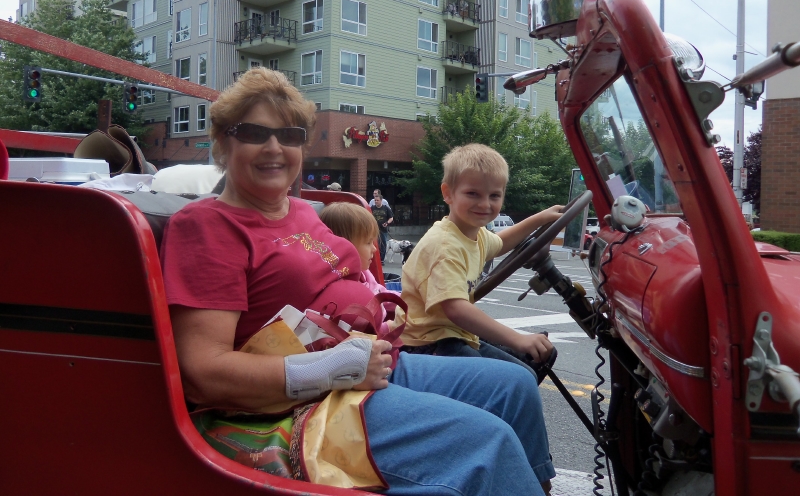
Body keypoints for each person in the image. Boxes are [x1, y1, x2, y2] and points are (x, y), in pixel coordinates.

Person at [160, 68, 553, 496]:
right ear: (223, 142)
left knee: (514, 387)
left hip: (370, 360)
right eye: (254, 133)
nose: (274, 147)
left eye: (289, 135)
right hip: (304, 400)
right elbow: (204, 373)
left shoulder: (303, 211)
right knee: (487, 444)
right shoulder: (207, 227)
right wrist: (333, 368)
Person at [398, 143, 562, 384]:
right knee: (519, 379)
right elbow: (456, 309)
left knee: (537, 359)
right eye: (473, 194)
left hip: (452, 333)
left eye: (494, 195)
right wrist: (518, 338)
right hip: (427, 343)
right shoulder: (445, 246)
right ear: (448, 193)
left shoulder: (473, 234)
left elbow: (501, 242)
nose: (485, 204)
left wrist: (540, 218)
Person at [320, 201, 398, 297]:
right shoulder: (341, 291)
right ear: (344, 248)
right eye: (368, 242)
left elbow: (380, 292)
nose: (374, 249)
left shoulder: (364, 273)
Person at [371, 193, 393, 263]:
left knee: (383, 244)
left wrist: (387, 223)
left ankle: (382, 259)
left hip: (383, 229)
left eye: (377, 200)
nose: (376, 201)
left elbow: (391, 218)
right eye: (375, 200)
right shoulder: (372, 208)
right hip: (374, 229)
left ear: (381, 200)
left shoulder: (386, 208)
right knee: (374, 243)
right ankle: (374, 258)